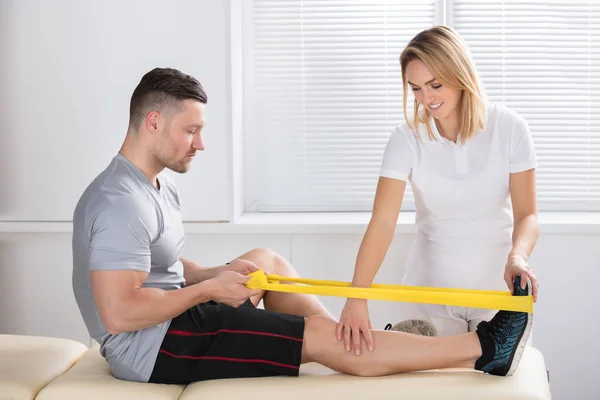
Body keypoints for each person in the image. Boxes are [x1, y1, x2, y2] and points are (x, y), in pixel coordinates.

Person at [72, 67, 533, 385]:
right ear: (153, 122)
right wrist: (207, 292)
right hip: (152, 349)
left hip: (172, 319)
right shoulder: (119, 203)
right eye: (191, 131)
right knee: (318, 338)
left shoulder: (153, 184)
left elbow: (162, 268)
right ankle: (485, 347)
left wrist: (210, 275)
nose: (201, 144)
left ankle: (357, 345)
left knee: (265, 260)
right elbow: (120, 314)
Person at [337, 25, 540, 354]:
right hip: (429, 295)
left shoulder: (510, 128)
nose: (426, 98)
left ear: (460, 74)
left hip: (495, 293)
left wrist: (518, 257)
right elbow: (383, 221)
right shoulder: (405, 139)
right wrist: (356, 297)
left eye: (435, 85)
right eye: (415, 88)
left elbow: (527, 214)